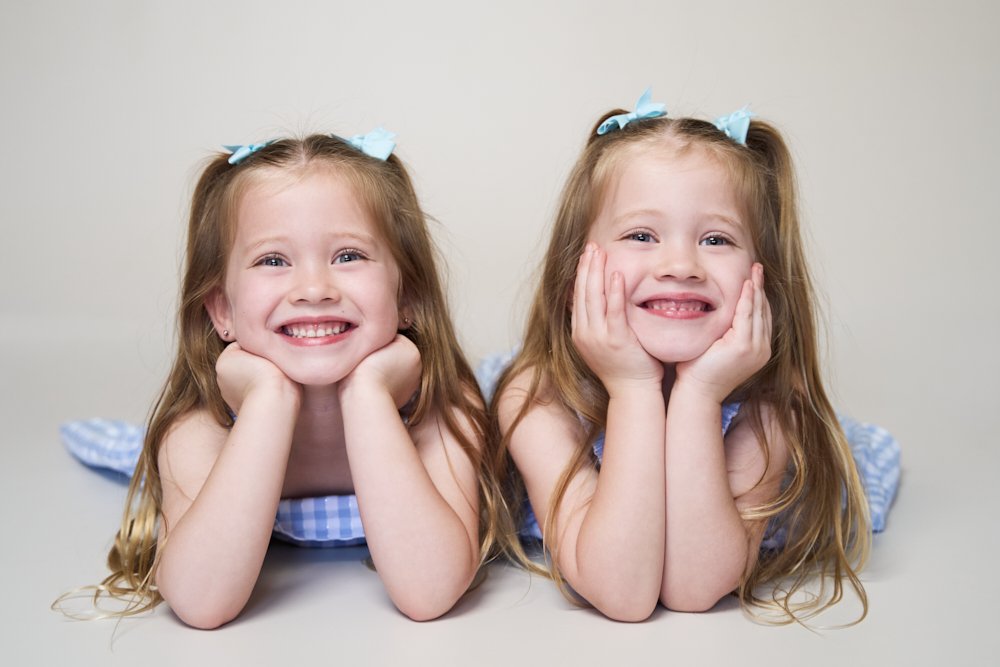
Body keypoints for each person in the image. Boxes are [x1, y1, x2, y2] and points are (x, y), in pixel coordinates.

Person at [488, 90, 899, 623]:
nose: (680, 265)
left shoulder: (769, 406)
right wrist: (633, 389)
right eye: (641, 234)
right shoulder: (539, 395)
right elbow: (623, 591)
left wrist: (700, 396)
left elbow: (692, 586)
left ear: (764, 277)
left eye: (716, 239)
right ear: (576, 270)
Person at [61, 131, 495, 628]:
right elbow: (202, 603)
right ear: (221, 309)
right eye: (273, 261)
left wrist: (369, 396)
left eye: (348, 255)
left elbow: (430, 590)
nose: (313, 290)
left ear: (408, 296)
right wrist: (267, 401)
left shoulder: (442, 408)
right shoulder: (203, 428)